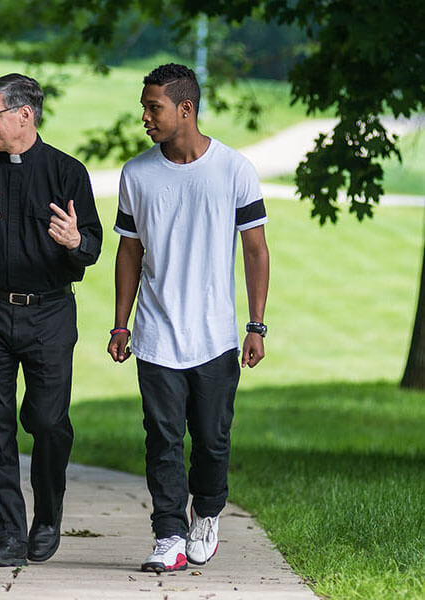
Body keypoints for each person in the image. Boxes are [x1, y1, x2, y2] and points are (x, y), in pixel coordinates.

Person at [107, 63, 270, 573]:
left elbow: (256, 252)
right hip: (156, 335)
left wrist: (256, 325)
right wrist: (120, 323)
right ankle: (169, 534)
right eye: (144, 107)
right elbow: (128, 253)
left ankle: (208, 512)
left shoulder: (234, 169)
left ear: (186, 108)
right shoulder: (137, 174)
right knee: (162, 439)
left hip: (216, 336)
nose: (145, 117)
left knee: (213, 439)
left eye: (153, 107)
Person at [0, 73, 102, 567]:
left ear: (24, 115)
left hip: (50, 312)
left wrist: (75, 241)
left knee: (48, 421)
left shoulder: (67, 173)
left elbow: (93, 246)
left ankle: (48, 515)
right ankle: (5, 536)